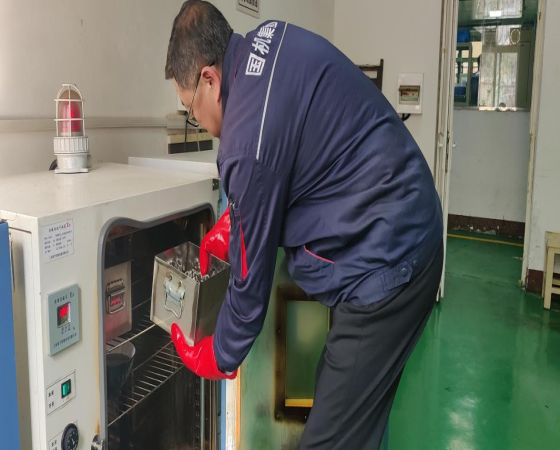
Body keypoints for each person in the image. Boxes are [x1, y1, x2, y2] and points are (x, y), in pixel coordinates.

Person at [166, 2, 443, 448]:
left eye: (190, 108)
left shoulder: (243, 144)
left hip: (389, 261)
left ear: (209, 79)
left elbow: (248, 295)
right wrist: (237, 218)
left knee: (329, 438)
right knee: (355, 412)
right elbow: (289, 152)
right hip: (407, 219)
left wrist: (217, 355)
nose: (196, 119)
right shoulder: (268, 39)